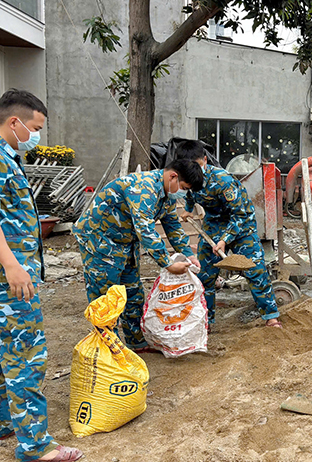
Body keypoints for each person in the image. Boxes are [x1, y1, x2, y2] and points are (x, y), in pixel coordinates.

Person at [0, 89, 82, 462]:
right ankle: (36, 444)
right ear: (14, 122)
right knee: (25, 355)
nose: (37, 135)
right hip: (7, 276)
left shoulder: (3, 156)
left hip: (2, 275)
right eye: (35, 127)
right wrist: (12, 265)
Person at [73, 159, 204, 351]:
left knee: (133, 293)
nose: (183, 192)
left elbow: (173, 225)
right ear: (173, 176)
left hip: (126, 241)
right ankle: (110, 348)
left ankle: (136, 342)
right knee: (105, 296)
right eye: (184, 187)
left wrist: (186, 253)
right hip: (101, 240)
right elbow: (146, 230)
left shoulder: (167, 194)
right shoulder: (144, 189)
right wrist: (167, 263)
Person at [172, 140, 281, 328]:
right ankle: (206, 320)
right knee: (204, 276)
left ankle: (271, 316)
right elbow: (190, 194)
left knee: (255, 270)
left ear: (205, 160)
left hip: (241, 225)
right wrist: (189, 209)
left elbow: (239, 214)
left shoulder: (223, 181)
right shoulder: (189, 179)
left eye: (196, 166)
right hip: (213, 225)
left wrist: (224, 240)